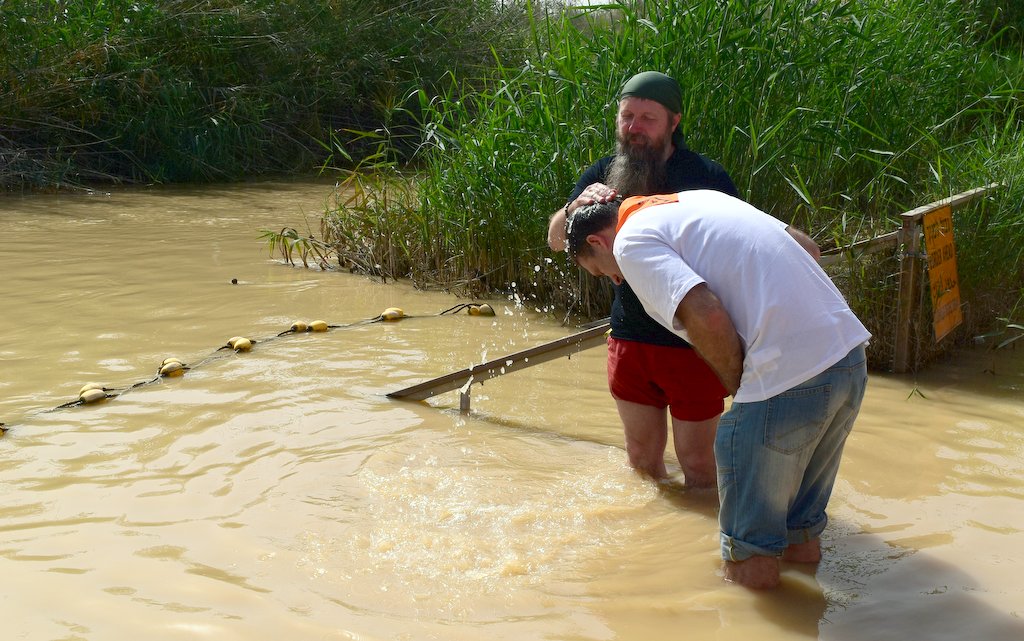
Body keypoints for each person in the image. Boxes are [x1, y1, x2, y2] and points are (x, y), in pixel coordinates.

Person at [563, 191, 870, 589]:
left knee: (749, 552)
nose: (616, 279)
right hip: (847, 357)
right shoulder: (699, 200)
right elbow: (808, 248)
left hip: (785, 375)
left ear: (598, 242)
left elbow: (705, 315)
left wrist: (742, 387)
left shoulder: (630, 240)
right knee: (801, 530)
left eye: (602, 272)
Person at [548, 71, 819, 487]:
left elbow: (751, 241)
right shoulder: (604, 173)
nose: (634, 128)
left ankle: (706, 542)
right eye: (627, 117)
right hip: (630, 336)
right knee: (640, 460)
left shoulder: (704, 175)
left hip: (694, 341)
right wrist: (572, 208)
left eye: (647, 118)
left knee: (699, 465)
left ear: (674, 122)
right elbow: (555, 240)